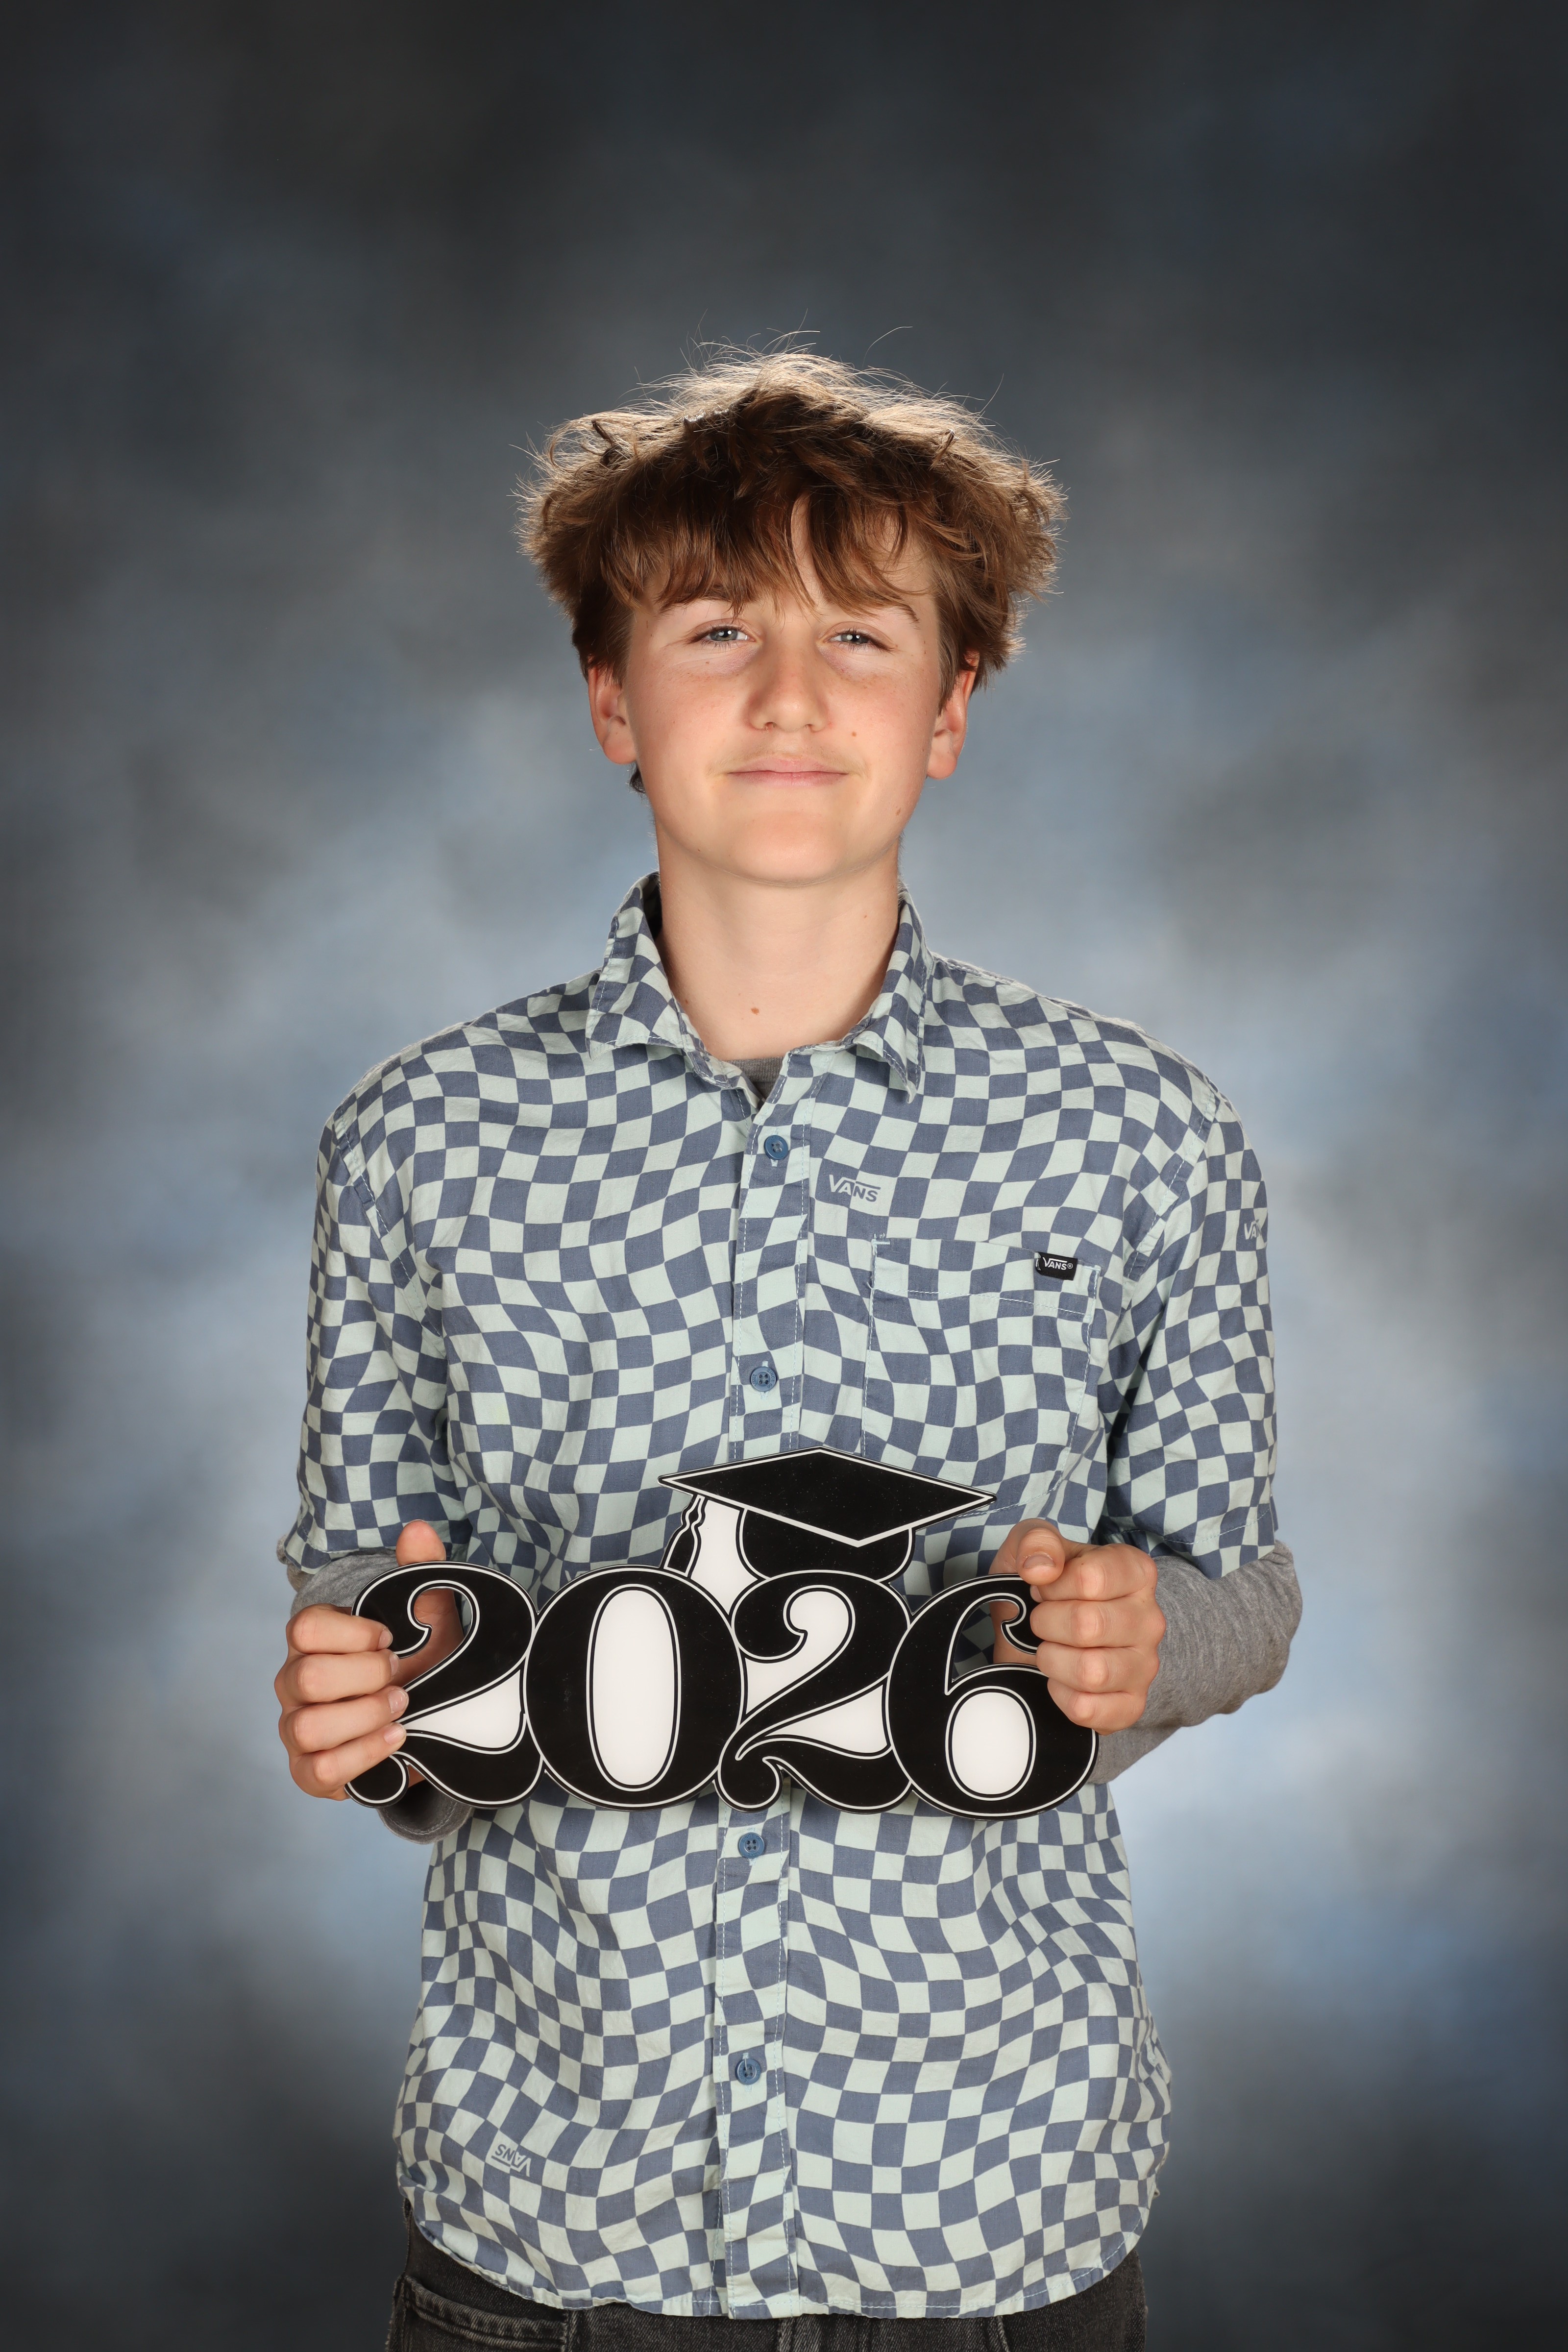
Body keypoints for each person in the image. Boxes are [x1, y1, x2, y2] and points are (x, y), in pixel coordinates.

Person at [273, 352, 1299, 2351]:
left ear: (950, 710)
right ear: (609, 700)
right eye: (716, 628)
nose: (789, 694)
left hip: (993, 2224)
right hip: (551, 2231)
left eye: (862, 634)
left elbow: (1242, 1590)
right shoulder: (417, 1142)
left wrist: (1145, 1642)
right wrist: (368, 1698)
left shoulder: (1142, 1136)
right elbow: (359, 1579)